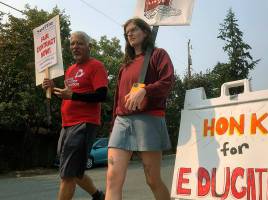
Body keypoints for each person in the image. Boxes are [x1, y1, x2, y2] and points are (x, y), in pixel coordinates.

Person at [105, 18, 174, 200]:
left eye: (134, 30)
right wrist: (113, 125)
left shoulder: (158, 55)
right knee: (112, 178)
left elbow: (167, 82)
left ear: (146, 32)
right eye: (127, 32)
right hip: (122, 121)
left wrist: (145, 90)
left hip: (149, 119)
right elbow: (117, 100)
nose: (130, 34)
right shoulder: (124, 66)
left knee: (152, 179)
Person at [42, 31, 107, 200]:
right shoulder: (70, 70)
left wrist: (73, 96)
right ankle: (98, 195)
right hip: (67, 124)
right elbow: (67, 95)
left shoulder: (96, 66)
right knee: (75, 171)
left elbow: (102, 95)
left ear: (89, 47)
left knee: (68, 174)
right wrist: (52, 87)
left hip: (84, 123)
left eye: (79, 43)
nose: (75, 47)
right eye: (72, 43)